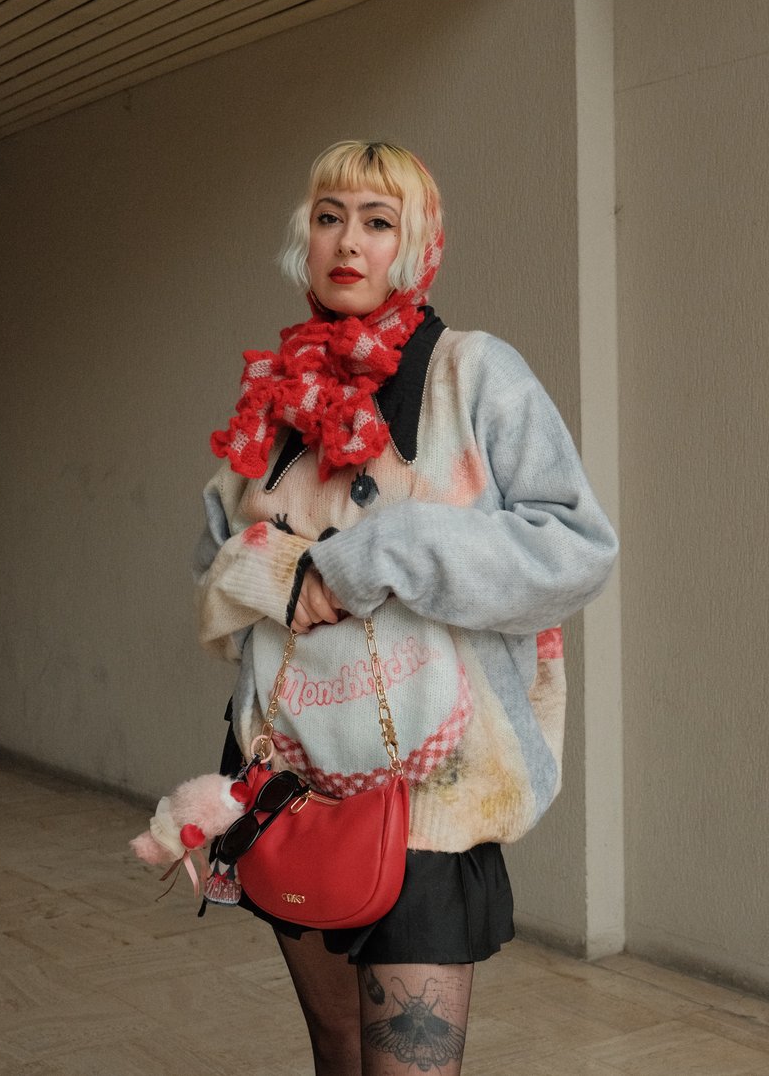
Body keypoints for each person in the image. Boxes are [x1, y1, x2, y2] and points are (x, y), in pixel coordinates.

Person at [193, 140, 618, 1076]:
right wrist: (278, 576)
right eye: (330, 217)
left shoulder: (475, 374)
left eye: (378, 222)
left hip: (433, 792)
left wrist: (366, 559)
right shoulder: (272, 403)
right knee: (337, 1050)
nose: (349, 241)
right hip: (289, 783)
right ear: (305, 237)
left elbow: (577, 549)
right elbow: (210, 568)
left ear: (416, 247)